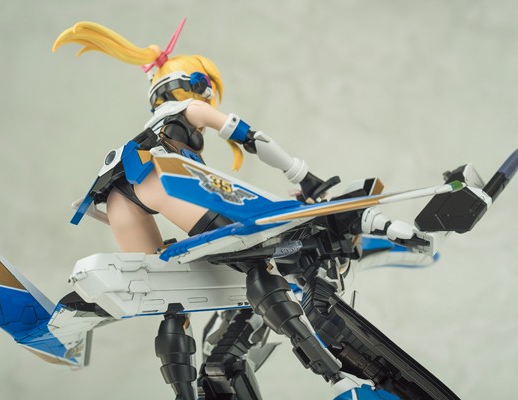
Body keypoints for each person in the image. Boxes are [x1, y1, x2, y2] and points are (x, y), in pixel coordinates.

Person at [53, 20, 345, 400]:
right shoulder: (191, 107)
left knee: (169, 297)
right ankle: (331, 371)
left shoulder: (153, 122)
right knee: (253, 254)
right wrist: (305, 177)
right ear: (200, 85)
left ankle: (184, 395)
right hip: (160, 179)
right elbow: (252, 137)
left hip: (118, 196)